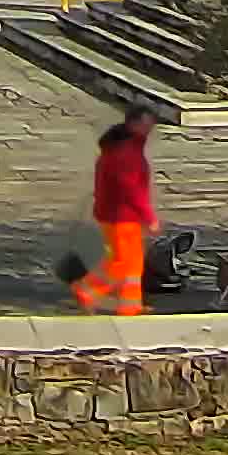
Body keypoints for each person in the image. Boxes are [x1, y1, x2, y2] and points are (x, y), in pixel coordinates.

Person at [71, 107, 157, 316]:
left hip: (118, 212)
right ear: (133, 124)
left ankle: (130, 305)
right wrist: (149, 216)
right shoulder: (126, 152)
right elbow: (131, 189)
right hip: (121, 215)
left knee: (133, 262)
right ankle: (87, 290)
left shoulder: (121, 145)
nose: (150, 128)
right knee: (122, 261)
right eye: (146, 124)